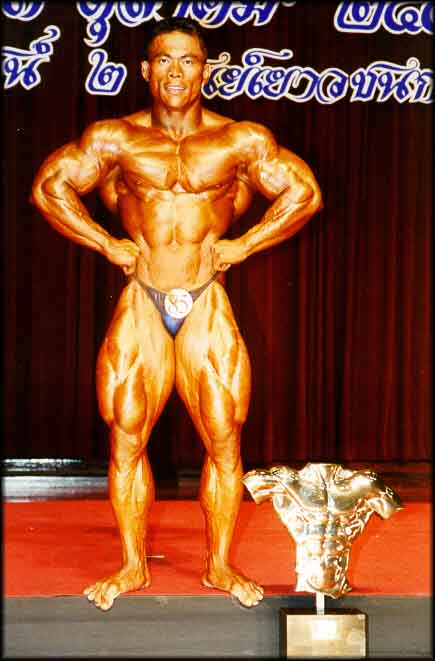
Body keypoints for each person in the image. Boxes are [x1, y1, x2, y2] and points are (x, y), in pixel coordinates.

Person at [31, 17, 323, 611]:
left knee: (224, 437)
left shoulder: (238, 140)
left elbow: (304, 192)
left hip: (205, 299)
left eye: (188, 60)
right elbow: (49, 187)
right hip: (142, 297)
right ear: (145, 69)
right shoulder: (115, 138)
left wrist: (246, 244)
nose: (175, 71)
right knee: (126, 436)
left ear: (205, 70)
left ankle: (219, 565)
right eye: (164, 59)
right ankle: (132, 565)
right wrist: (105, 243)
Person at [243, 463, 404, 598]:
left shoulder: (366, 483)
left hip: (338, 568)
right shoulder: (285, 479)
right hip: (310, 563)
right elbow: (252, 480)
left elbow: (390, 507)